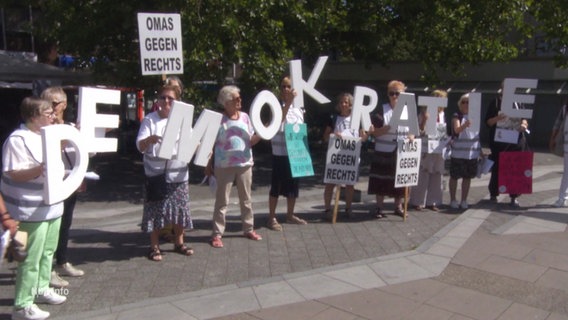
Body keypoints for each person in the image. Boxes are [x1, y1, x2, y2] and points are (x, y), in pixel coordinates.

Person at [2, 97, 66, 320]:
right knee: (27, 258)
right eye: (47, 113)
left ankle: (41, 289)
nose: (53, 116)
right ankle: (21, 305)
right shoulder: (17, 140)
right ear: (32, 116)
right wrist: (38, 170)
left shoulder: (48, 136)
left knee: (47, 252)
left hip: (52, 206)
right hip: (26, 211)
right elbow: (12, 172)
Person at [136, 85, 194, 262]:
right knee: (155, 211)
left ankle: (179, 242)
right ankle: (154, 247)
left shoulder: (183, 121)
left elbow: (191, 144)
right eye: (163, 97)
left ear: (177, 102)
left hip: (178, 175)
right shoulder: (150, 120)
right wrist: (148, 140)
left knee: (179, 210)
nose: (166, 101)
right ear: (158, 100)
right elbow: (139, 145)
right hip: (156, 175)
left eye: (170, 98)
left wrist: (199, 147)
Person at [205, 85, 262, 248]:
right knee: (222, 200)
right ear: (227, 102)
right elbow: (210, 143)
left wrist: (263, 133)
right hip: (224, 165)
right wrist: (208, 165)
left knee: (246, 199)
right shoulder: (218, 120)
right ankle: (216, 234)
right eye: (236, 98)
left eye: (240, 98)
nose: (240, 100)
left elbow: (250, 140)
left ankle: (248, 228)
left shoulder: (245, 117)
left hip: (244, 163)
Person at [40, 87, 84, 288]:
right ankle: (46, 270)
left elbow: (81, 156)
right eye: (48, 104)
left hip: (68, 181)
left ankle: (62, 260)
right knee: (49, 227)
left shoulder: (71, 127)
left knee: (65, 224)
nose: (53, 108)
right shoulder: (42, 128)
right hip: (49, 183)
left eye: (56, 103)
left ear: (65, 104)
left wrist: (80, 175)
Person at [266, 76, 307, 231]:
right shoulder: (275, 105)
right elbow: (277, 122)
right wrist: (288, 103)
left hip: (295, 153)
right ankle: (271, 217)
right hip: (279, 152)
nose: (285, 89)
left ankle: (290, 215)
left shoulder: (299, 109)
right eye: (282, 86)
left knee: (293, 186)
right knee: (276, 185)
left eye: (288, 86)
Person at [323, 93, 369, 219]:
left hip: (351, 157)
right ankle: (327, 209)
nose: (344, 104)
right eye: (342, 102)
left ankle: (348, 208)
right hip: (335, 157)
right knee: (330, 184)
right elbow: (325, 137)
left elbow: (362, 138)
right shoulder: (333, 118)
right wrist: (333, 134)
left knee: (350, 184)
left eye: (347, 102)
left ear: (351, 105)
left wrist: (368, 133)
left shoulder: (357, 120)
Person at [367, 80, 408, 218]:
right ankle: (379, 207)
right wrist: (384, 129)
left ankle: (398, 206)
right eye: (392, 93)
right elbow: (374, 132)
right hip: (383, 150)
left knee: (400, 180)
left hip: (401, 151)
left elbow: (413, 131)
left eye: (398, 93)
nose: (395, 96)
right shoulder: (381, 110)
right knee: (381, 179)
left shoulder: (408, 111)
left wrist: (412, 138)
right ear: (388, 94)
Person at [484, 85, 529, 207]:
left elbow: (524, 119)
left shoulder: (518, 102)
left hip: (516, 141)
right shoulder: (496, 102)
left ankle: (514, 196)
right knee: (498, 166)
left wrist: (524, 125)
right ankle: (494, 193)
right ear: (502, 89)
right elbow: (488, 121)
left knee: (515, 167)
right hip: (499, 141)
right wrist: (498, 118)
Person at [409, 90, 448, 211]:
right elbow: (418, 131)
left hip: (438, 148)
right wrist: (425, 120)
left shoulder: (442, 115)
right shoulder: (423, 114)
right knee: (422, 174)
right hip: (425, 147)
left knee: (437, 174)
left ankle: (433, 202)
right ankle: (417, 201)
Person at [448, 94, 481, 209]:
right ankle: (452, 200)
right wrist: (465, 125)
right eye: (464, 102)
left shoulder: (475, 117)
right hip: (458, 152)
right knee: (454, 177)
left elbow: (477, 136)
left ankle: (464, 200)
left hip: (471, 154)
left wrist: (480, 151)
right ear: (460, 104)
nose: (466, 104)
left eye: (468, 102)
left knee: (467, 177)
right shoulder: (457, 116)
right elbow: (456, 130)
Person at [550, 102, 568, 207]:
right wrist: (553, 138)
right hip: (566, 144)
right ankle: (563, 198)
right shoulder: (565, 108)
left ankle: (563, 198)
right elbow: (557, 124)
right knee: (567, 172)